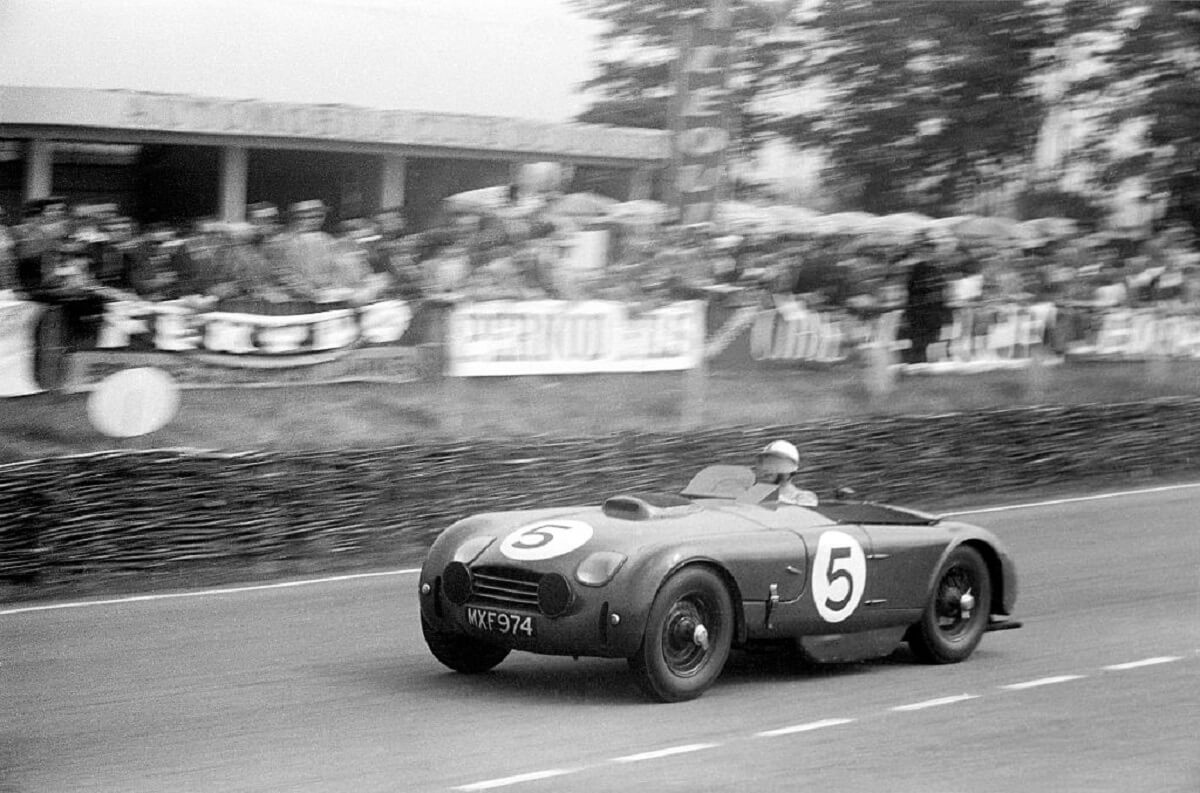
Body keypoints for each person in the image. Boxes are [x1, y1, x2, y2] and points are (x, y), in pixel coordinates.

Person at [753, 440, 818, 507]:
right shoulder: (755, 495)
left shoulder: (804, 497)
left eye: (776, 464)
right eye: (766, 463)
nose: (767, 469)